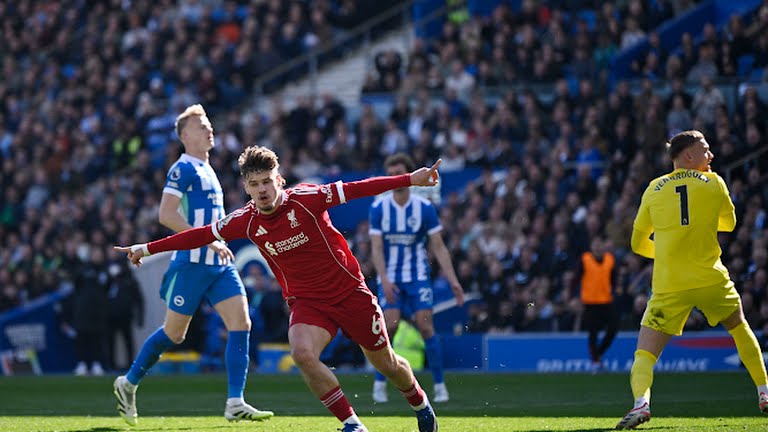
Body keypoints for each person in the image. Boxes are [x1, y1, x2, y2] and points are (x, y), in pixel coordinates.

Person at [115, 145, 442, 432]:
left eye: (267, 182)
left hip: (350, 293)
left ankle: (419, 403)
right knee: (301, 353)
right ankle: (351, 423)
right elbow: (199, 235)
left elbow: (359, 188)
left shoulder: (308, 199)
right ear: (246, 187)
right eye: (254, 184)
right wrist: (147, 248)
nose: (262, 190)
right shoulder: (245, 220)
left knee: (386, 364)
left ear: (279, 179)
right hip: (308, 303)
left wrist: (411, 179)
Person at [112, 104, 273, 426]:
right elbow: (166, 215)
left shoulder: (208, 168)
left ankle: (235, 402)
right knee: (174, 334)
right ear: (185, 135)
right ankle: (128, 383)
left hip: (219, 264)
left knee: (241, 324)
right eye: (202, 126)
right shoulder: (182, 168)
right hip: (192, 263)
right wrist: (207, 240)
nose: (209, 130)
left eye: (210, 125)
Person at [617, 130, 768, 429]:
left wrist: (667, 252)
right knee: (739, 328)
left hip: (669, 284)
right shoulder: (714, 182)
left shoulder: (653, 188)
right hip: (710, 278)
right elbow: (730, 223)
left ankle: (641, 404)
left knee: (645, 352)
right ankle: (764, 393)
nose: (711, 156)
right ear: (688, 156)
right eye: (706, 150)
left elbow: (637, 243)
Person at [369, 153, 464, 403]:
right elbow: (376, 248)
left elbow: (439, 246)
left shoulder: (424, 208)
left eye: (398, 173)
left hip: (417, 276)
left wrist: (453, 280)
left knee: (426, 327)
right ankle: (379, 383)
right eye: (390, 174)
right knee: (389, 327)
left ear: (408, 175)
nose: (394, 178)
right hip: (390, 277)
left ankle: (440, 385)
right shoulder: (380, 207)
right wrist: (385, 280)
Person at [577, 236, 618, 371]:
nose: (597, 247)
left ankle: (598, 354)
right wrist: (574, 296)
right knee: (593, 333)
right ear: (591, 246)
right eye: (595, 244)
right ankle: (595, 361)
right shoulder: (585, 259)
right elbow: (576, 278)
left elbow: (614, 279)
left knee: (613, 329)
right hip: (590, 302)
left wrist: (616, 289)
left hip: (606, 301)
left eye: (600, 244)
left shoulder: (610, 260)